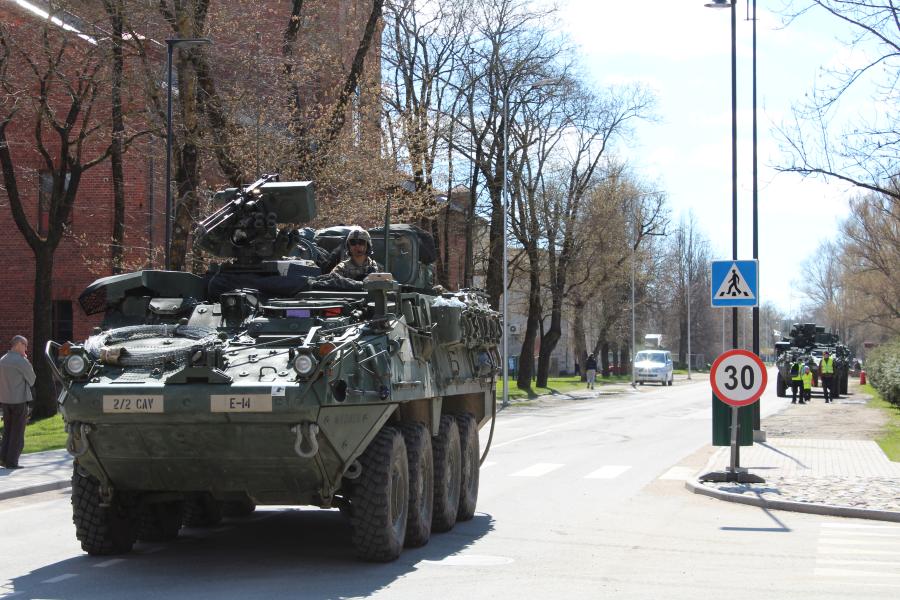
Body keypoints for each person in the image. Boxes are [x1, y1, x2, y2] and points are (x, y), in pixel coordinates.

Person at [0, 335, 36, 469]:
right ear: (19, 344)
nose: (26, 348)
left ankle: (3, 458)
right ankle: (12, 462)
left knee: (8, 430)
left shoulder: (2, 360)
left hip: (5, 400)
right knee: (17, 432)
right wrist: (27, 362)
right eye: (25, 345)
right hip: (19, 401)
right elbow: (32, 380)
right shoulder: (21, 361)